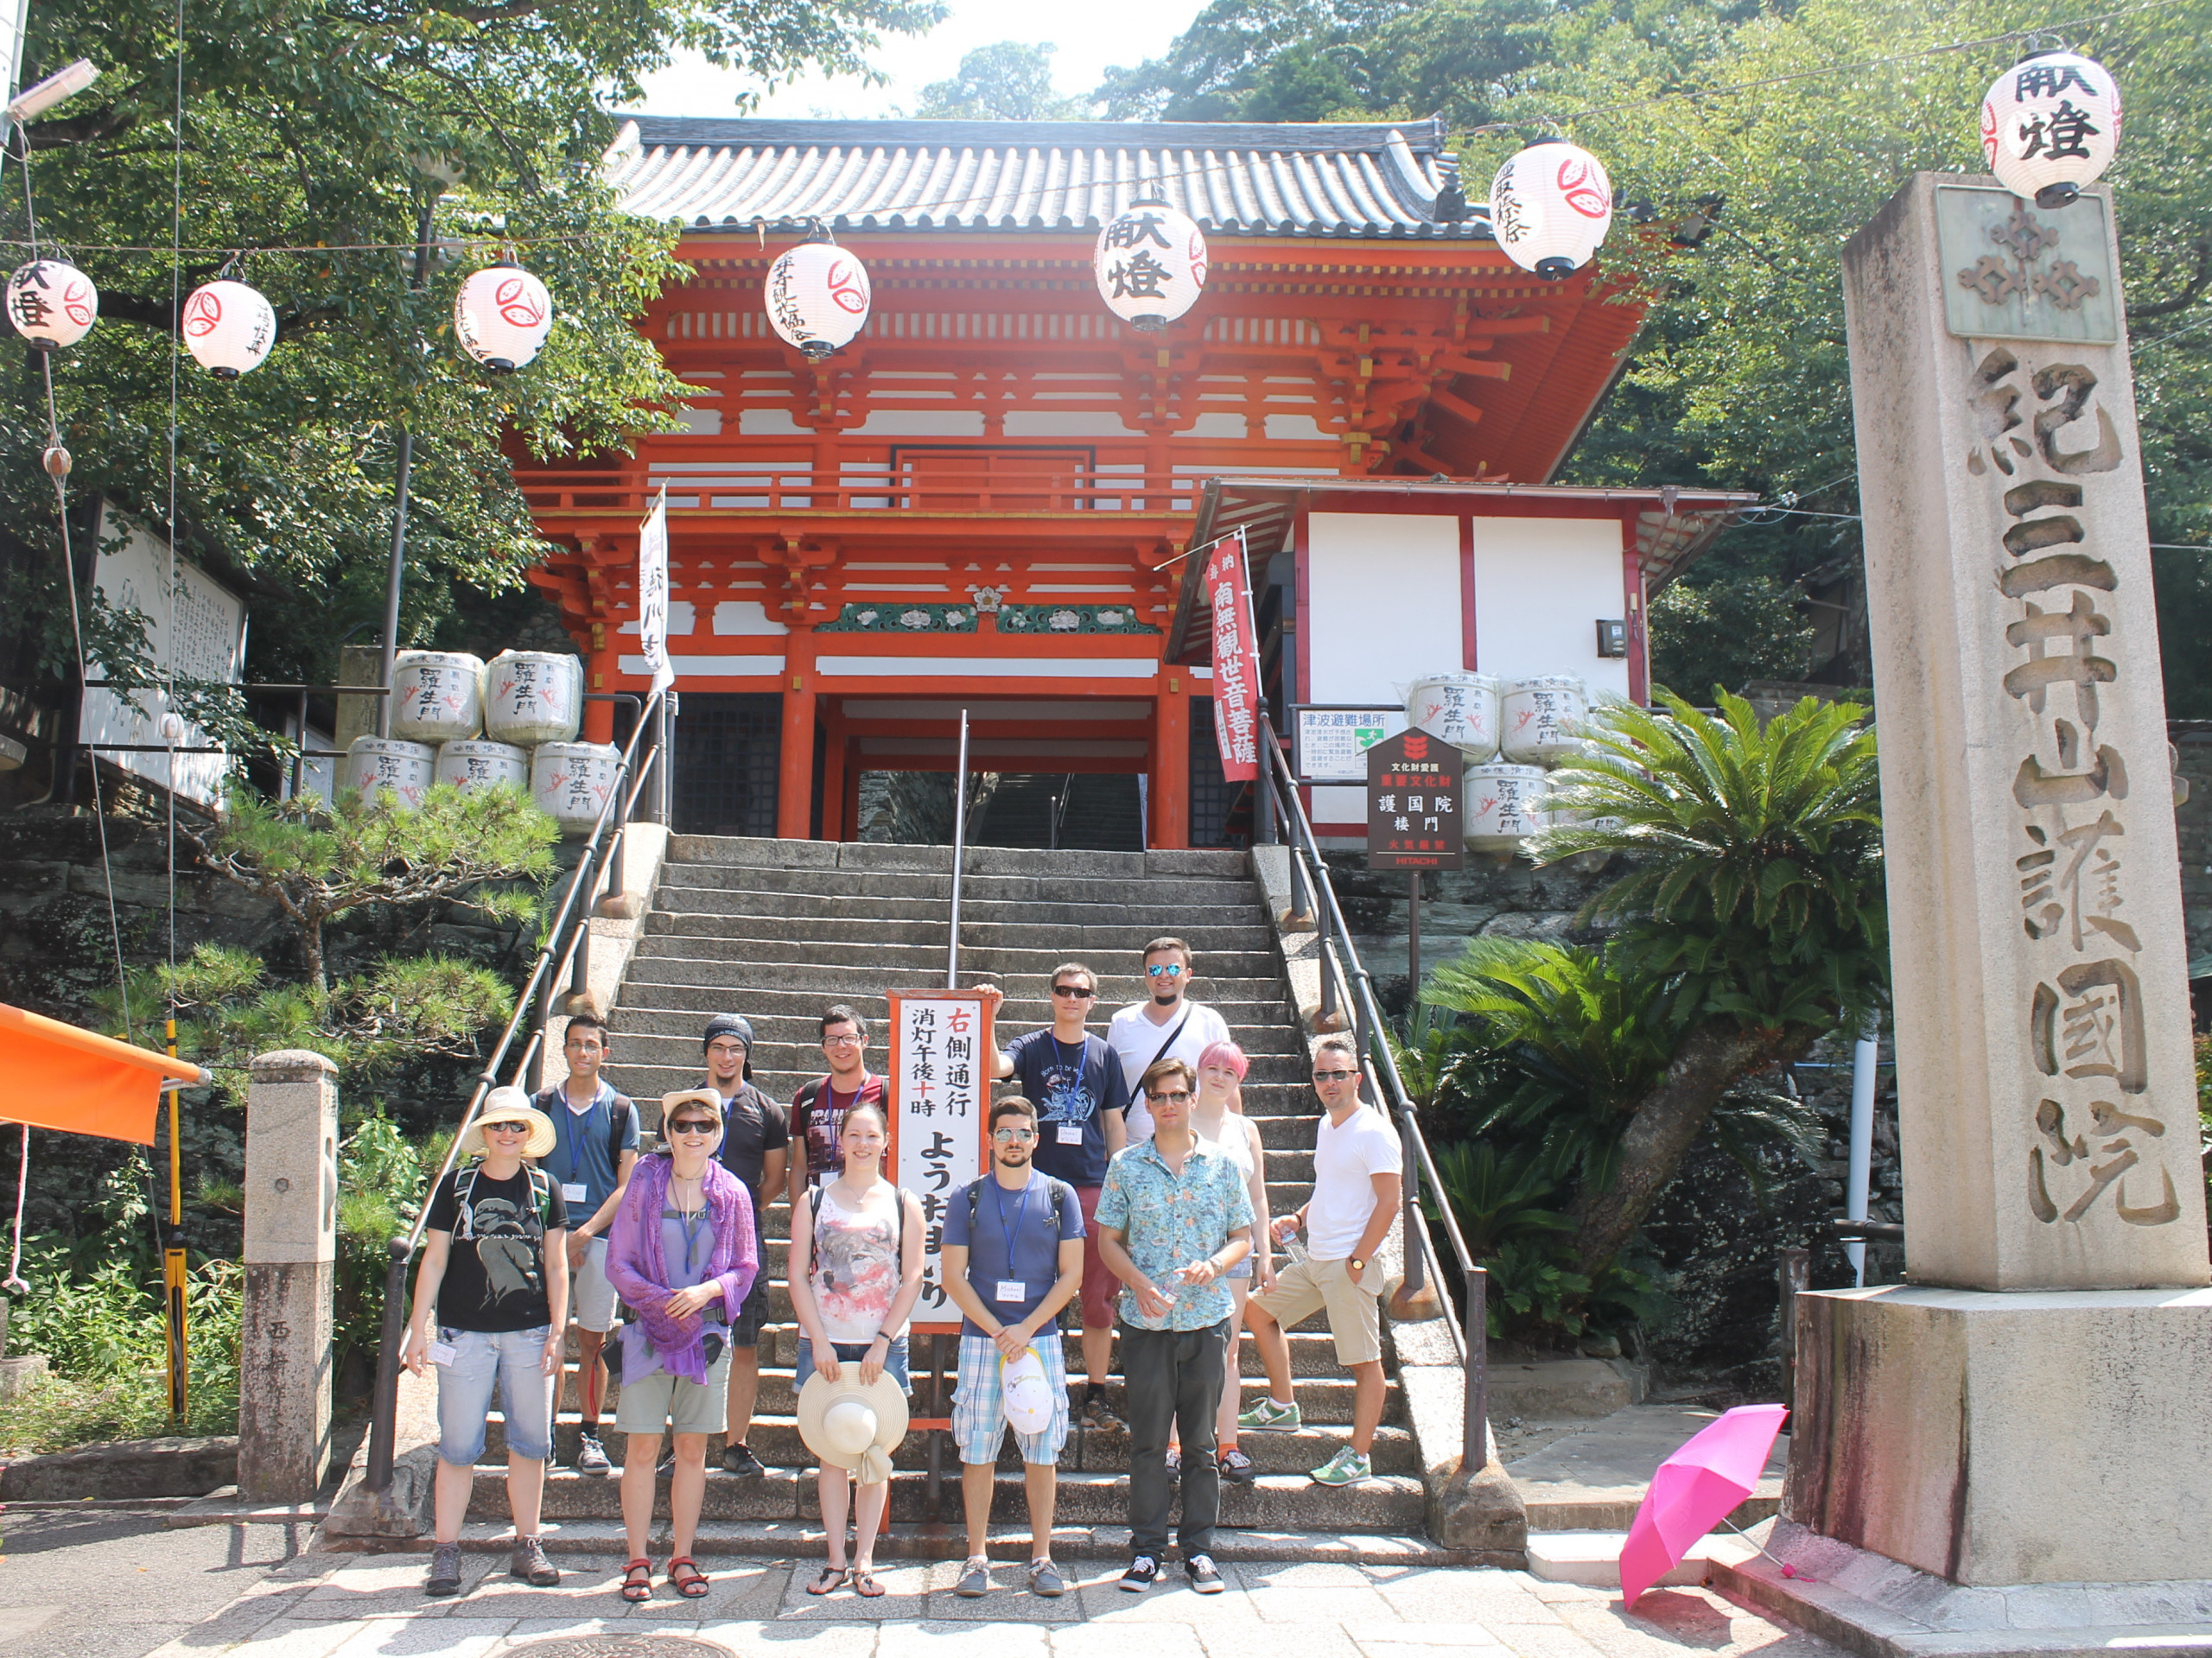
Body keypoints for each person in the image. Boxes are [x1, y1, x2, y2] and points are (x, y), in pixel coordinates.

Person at [401, 1087, 570, 1597]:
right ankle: (446, 1550)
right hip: (464, 1332)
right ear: (485, 1133)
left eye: (518, 1126)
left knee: (530, 1443)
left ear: (528, 1135)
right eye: (499, 1126)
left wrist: (560, 1331)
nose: (508, 1134)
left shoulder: (545, 1188)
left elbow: (557, 1263)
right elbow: (432, 1259)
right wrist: (417, 1326)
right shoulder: (456, 1188)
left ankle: (528, 1542)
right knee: (457, 1446)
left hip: (528, 1330)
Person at [1095, 1057, 1253, 1596]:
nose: (1168, 1105)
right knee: (1146, 1443)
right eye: (1158, 1097)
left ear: (1192, 1098)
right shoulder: (1126, 1166)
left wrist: (1217, 1264)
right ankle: (1145, 1553)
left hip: (1207, 1318)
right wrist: (1138, 1283)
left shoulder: (1223, 1164)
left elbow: (1242, 1237)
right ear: (1148, 1104)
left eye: (1177, 1096)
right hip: (1146, 1322)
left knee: (1201, 1444)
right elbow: (1107, 1242)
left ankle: (1200, 1551)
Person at [603, 1089, 760, 1602]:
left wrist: (707, 1292)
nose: (694, 1133)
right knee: (643, 1446)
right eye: (683, 1124)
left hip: (707, 1333)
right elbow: (619, 1264)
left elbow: (746, 1266)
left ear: (718, 1133)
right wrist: (660, 1301)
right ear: (667, 1131)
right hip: (649, 1330)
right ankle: (636, 1559)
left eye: (704, 1125)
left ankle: (683, 1555)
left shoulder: (733, 1191)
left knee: (692, 1449)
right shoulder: (645, 1184)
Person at [1240, 1033, 1404, 1487]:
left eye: (1339, 1074)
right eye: (1321, 1075)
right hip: (1315, 1258)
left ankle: (1358, 1455)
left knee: (1363, 1362)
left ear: (1356, 1078)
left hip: (1348, 1263)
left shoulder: (1374, 1131)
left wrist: (1358, 1261)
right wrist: (1298, 1216)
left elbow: (1390, 1202)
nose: (1330, 1082)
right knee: (1256, 1310)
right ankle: (1281, 1405)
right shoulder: (1327, 1126)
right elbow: (1331, 1186)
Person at [941, 1096, 1084, 1599]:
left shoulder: (1061, 1196)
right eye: (1004, 1132)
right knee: (977, 1446)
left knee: (1040, 1448)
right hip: (982, 1340)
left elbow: (1072, 1275)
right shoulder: (969, 1198)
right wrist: (998, 1329)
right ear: (990, 1139)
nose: (1014, 1141)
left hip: (1040, 1339)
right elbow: (953, 1277)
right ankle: (976, 1557)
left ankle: (1042, 1556)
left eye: (1023, 1132)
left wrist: (1025, 1328)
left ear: (1036, 1138)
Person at [788, 1100, 925, 1598]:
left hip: (882, 1341)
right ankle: (834, 1558)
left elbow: (912, 1276)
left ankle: (866, 1558)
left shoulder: (903, 1200)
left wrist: (884, 1339)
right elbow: (797, 1276)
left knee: (874, 1450)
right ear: (840, 1141)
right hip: (825, 1338)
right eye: (854, 1135)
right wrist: (818, 1338)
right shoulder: (814, 1201)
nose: (863, 1144)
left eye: (873, 1136)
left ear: (886, 1143)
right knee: (830, 1449)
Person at [984, 962, 1129, 1432]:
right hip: (1035, 1185)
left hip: (1090, 1185)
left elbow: (1113, 1123)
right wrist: (989, 1016)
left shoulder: (1105, 1054)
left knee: (1096, 1296)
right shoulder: (1031, 1046)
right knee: (1030, 1289)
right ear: (1051, 996)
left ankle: (1096, 1393)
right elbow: (994, 1067)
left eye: (1081, 992)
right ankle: (1024, 1386)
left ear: (1092, 1000)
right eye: (1063, 990)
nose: (1072, 998)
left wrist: (1121, 1183)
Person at [532, 1011, 640, 1477]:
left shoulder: (620, 1109)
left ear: (604, 1052)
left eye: (591, 1045)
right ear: (564, 1050)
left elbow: (627, 1184)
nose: (582, 1052)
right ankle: (544, 1434)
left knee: (593, 1342)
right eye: (574, 1044)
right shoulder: (540, 1104)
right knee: (546, 1340)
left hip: (598, 1239)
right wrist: (557, 1232)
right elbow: (530, 1175)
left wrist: (585, 1232)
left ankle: (590, 1434)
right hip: (547, 1238)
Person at [690, 1013, 789, 1479]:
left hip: (743, 1240)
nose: (726, 1057)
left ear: (747, 1055)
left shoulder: (766, 1110)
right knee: (685, 1336)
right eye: (718, 1047)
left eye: (736, 1049)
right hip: (687, 1235)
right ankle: (685, 1439)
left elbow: (774, 1181)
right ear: (706, 1052)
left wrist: (739, 1210)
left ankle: (737, 1442)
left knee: (745, 1340)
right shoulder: (686, 1105)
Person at [1181, 1041, 1270, 1487]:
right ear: (1198, 1071)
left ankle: (1228, 1445)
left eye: (1229, 1072)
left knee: (1229, 1351)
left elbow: (1257, 1196)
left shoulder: (1246, 1129)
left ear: (1240, 1080)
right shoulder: (1178, 1117)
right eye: (1212, 1068)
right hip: (1182, 1252)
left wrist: (1265, 1252)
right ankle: (1176, 1446)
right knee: (1180, 1347)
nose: (1219, 1077)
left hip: (1234, 1253)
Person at [1107, 937, 1232, 1143]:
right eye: (1155, 970)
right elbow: (1110, 1095)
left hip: (1197, 1151)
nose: (1164, 975)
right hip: (1135, 1151)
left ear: (1188, 974)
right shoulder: (1122, 1023)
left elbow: (1229, 1090)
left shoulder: (1210, 1022)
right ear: (1146, 976)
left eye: (1173, 969)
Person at [787, 1005, 886, 1204]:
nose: (841, 1046)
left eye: (849, 1038)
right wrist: (800, 1219)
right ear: (823, 1047)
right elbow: (799, 1166)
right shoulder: (807, 1097)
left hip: (872, 1212)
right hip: (819, 1213)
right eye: (832, 1040)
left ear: (864, 1041)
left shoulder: (886, 1095)